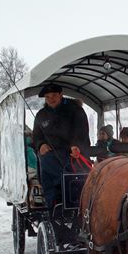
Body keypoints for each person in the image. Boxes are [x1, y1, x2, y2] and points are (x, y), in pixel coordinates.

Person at [32, 83, 90, 212]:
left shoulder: (75, 110)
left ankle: (83, 203)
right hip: (51, 154)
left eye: (53, 95)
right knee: (48, 168)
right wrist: (41, 145)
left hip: (74, 153)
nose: (51, 99)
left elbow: (81, 130)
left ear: (61, 95)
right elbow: (36, 136)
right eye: (47, 97)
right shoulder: (41, 115)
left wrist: (76, 146)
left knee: (79, 176)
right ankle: (54, 206)